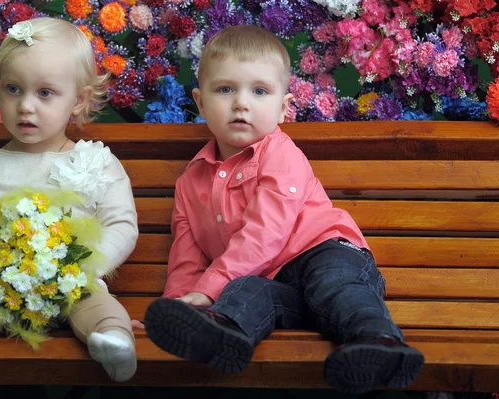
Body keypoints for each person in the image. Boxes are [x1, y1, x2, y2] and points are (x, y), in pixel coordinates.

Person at [143, 24, 424, 394]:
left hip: (324, 253)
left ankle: (379, 344)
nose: (241, 102)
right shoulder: (190, 182)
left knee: (334, 287)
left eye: (259, 91)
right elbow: (187, 255)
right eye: (225, 89)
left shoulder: (281, 154)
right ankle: (221, 332)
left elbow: (265, 233)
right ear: (200, 102)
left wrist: (209, 288)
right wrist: (182, 305)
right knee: (247, 293)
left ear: (283, 107)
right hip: (274, 281)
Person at [0, 17, 139, 396]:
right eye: (14, 89)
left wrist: (81, 265)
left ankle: (113, 342)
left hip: (71, 280)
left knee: (99, 305)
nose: (26, 106)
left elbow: (121, 225)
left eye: (45, 93)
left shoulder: (96, 162)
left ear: (78, 99)